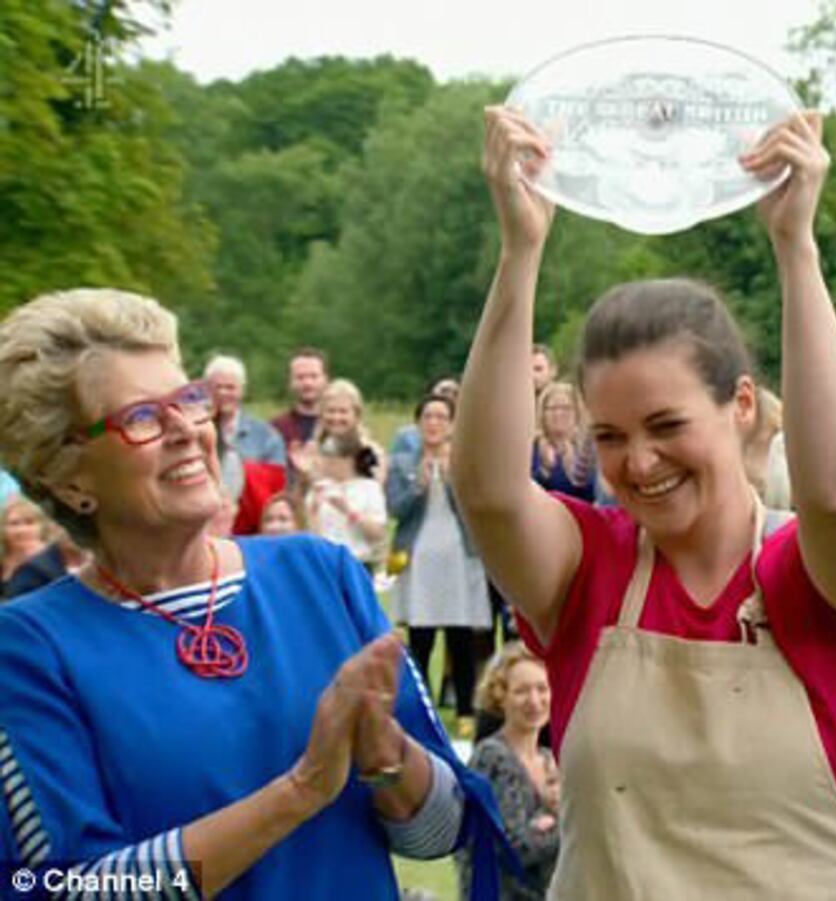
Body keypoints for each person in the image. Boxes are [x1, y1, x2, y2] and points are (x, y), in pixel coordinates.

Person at [455, 107, 836, 896]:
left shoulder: (811, 572)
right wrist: (519, 250)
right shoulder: (588, 566)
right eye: (609, 435)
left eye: (667, 425)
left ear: (742, 405)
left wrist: (795, 248)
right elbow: (491, 494)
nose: (638, 461)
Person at [0, 288, 509, 898]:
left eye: (187, 400)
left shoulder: (321, 574)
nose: (187, 430)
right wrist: (298, 792)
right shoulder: (29, 649)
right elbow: (63, 886)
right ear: (67, 475)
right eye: (141, 418)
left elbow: (441, 834)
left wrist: (385, 756)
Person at [388, 394, 491, 736]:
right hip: (418, 555)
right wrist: (418, 484)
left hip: (459, 556)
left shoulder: (465, 460)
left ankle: (465, 709)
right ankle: (423, 707)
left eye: (441, 417)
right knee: (421, 636)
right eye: (427, 416)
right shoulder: (403, 460)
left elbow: (477, 508)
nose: (433, 423)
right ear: (418, 423)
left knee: (461, 637)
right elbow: (395, 509)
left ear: (451, 425)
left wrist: (452, 481)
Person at [457, 644, 561, 900]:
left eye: (542, 688)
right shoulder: (493, 757)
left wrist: (549, 827)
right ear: (499, 696)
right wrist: (567, 827)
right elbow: (516, 847)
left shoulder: (551, 761)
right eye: (521, 691)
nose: (534, 701)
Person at [305, 432, 388, 573]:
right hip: (324, 563)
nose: (326, 462)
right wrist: (313, 510)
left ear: (349, 460)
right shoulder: (320, 488)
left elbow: (377, 534)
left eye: (332, 457)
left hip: (357, 563)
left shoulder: (369, 488)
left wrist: (348, 511)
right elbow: (310, 532)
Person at [205, 354, 288, 467]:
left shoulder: (267, 436)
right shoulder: (195, 432)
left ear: (242, 390)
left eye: (230, 387)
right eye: (217, 387)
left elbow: (276, 481)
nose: (223, 393)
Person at [530, 382, 597, 503]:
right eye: (552, 408)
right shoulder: (532, 447)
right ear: (542, 413)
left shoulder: (587, 448)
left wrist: (573, 472)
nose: (559, 413)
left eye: (566, 408)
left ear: (577, 412)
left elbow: (594, 495)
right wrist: (545, 471)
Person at [392, 376, 462, 465]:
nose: (450, 396)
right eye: (445, 391)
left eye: (455, 393)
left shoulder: (467, 436)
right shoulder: (406, 435)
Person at [271, 347, 330, 450]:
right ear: (290, 382)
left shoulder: (342, 425)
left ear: (326, 379)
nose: (307, 383)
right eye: (300, 377)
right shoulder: (276, 429)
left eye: (314, 376)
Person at [1, 497, 50, 598]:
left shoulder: (49, 564)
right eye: (14, 523)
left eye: (30, 522)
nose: (22, 530)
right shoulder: (3, 554)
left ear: (42, 527)